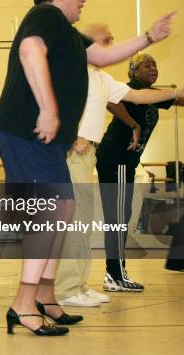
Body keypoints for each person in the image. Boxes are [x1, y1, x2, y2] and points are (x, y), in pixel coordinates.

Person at [0, 0, 174, 336]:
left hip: (43, 141)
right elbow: (29, 50)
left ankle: (44, 296)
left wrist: (148, 37)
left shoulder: (67, 33)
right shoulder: (45, 16)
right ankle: (23, 304)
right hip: (26, 133)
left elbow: (105, 57)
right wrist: (47, 107)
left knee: (63, 209)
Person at [56, 24, 184, 307]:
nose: (113, 45)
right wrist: (71, 135)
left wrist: (176, 92)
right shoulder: (73, 70)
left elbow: (137, 97)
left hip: (89, 154)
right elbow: (53, 101)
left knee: (85, 224)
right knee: (80, 223)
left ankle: (79, 285)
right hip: (81, 155)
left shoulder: (102, 78)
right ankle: (70, 288)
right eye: (107, 41)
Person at [95, 53, 184, 292]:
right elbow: (110, 102)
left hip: (122, 163)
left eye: (155, 64)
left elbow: (177, 99)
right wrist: (133, 124)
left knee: (119, 217)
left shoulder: (151, 96)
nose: (153, 68)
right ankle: (115, 274)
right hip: (117, 160)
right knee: (118, 218)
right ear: (134, 72)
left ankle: (114, 274)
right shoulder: (129, 90)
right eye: (147, 65)